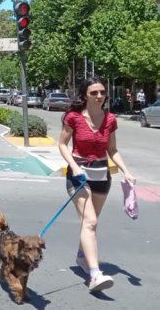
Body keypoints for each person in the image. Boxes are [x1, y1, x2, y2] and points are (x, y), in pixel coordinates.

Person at [58, 76, 136, 293]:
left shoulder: (110, 119)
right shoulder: (73, 117)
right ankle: (95, 274)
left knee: (91, 222)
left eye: (102, 92)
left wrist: (126, 171)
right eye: (94, 92)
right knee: (90, 221)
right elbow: (62, 145)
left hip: (102, 174)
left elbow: (112, 150)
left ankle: (82, 257)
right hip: (79, 174)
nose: (99, 96)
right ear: (85, 95)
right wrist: (74, 166)